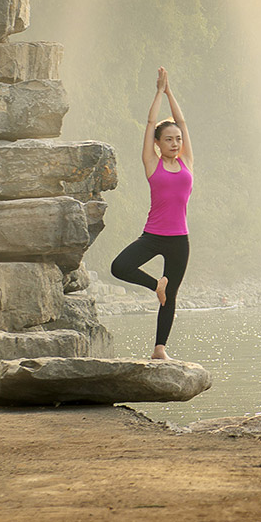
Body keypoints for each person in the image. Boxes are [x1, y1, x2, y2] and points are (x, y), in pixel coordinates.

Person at [109, 67, 193, 359]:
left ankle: (160, 349)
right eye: (168, 139)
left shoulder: (186, 162)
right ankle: (156, 285)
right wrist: (158, 92)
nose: (175, 143)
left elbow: (182, 121)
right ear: (158, 143)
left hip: (179, 240)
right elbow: (149, 123)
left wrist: (170, 92)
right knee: (119, 267)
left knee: (170, 297)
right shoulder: (151, 164)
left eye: (178, 139)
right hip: (153, 235)